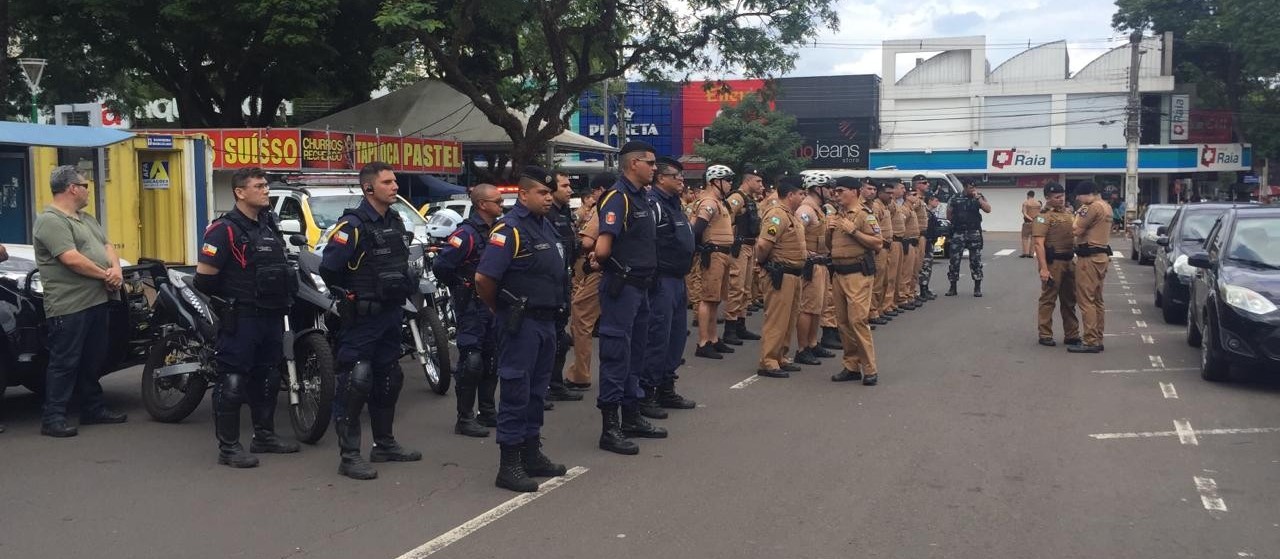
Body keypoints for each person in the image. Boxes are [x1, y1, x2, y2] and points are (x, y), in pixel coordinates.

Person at [320, 161, 422, 480]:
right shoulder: (352, 225)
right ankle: (349, 456)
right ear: (369, 188)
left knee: (389, 379)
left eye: (395, 181)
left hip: (391, 313)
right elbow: (329, 267)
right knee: (356, 381)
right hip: (362, 318)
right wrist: (351, 295)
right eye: (388, 182)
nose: (395, 187)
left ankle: (385, 444)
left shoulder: (394, 220)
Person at [193, 167, 298, 467]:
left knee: (268, 377)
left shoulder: (268, 227)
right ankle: (229, 448)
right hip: (241, 318)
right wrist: (231, 301)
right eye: (259, 186)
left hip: (271, 315)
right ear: (240, 192)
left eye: (266, 185)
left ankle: (264, 437)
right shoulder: (223, 230)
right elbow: (204, 279)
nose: (265, 190)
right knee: (233, 381)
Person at [474, 166, 569, 492]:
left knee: (536, 391)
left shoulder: (546, 227)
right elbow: (484, 279)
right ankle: (509, 464)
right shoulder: (509, 230)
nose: (548, 197)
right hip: (521, 323)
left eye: (549, 192)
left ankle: (531, 453)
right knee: (516, 390)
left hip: (545, 322)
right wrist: (498, 308)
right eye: (542, 192)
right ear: (524, 194)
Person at [32, 165, 127, 438]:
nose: (88, 190)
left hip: (96, 300)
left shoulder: (85, 218)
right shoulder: (51, 220)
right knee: (65, 361)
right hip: (69, 304)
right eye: (85, 185)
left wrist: (115, 270)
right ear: (72, 188)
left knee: (92, 359)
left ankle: (93, 409)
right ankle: (53, 417)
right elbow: (70, 258)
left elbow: (108, 245)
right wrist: (106, 275)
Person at [595, 140, 665, 455]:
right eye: (649, 162)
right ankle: (610, 428)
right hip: (622, 288)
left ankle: (631, 415)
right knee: (616, 354)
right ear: (633, 163)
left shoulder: (643, 198)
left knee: (636, 352)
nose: (654, 168)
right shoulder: (618, 198)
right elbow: (602, 249)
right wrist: (620, 272)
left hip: (641, 288)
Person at [432, 183, 503, 438]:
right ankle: (465, 417)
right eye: (497, 201)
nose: (502, 205)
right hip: (472, 306)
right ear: (482, 204)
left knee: (491, 358)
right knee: (471, 360)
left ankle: (487, 411)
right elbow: (441, 265)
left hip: (492, 304)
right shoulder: (466, 234)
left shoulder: (498, 229)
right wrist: (461, 285)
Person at [639, 157, 697, 418]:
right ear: (661, 178)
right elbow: (647, 242)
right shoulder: (654, 205)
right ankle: (648, 392)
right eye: (676, 176)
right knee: (657, 335)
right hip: (661, 280)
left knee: (675, 336)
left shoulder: (675, 206)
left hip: (677, 279)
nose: (681, 180)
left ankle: (666, 385)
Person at [828, 176, 882, 385]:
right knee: (842, 323)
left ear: (854, 191)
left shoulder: (863, 215)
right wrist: (829, 229)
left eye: (840, 190)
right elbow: (829, 245)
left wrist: (854, 231)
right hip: (839, 273)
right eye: (835, 191)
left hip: (857, 274)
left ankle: (870, 369)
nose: (836, 194)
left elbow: (877, 243)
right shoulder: (837, 214)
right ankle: (851, 365)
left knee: (857, 321)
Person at [755, 177, 808, 379]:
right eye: (800, 193)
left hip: (793, 274)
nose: (803, 197)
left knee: (789, 318)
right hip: (780, 273)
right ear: (790, 195)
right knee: (777, 319)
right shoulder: (777, 215)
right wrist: (763, 264)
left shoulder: (791, 215)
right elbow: (763, 245)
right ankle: (768, 360)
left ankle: (781, 356)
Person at [567, 173, 614, 390]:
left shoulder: (604, 206)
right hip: (629, 273)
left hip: (600, 268)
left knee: (581, 317)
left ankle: (581, 373)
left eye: (594, 191)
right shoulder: (635, 202)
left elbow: (587, 242)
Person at [691, 164, 738, 359]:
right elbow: (697, 229)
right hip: (714, 254)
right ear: (714, 182)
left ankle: (713, 338)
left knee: (715, 299)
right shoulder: (708, 202)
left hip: (723, 254)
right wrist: (701, 250)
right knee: (708, 298)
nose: (730, 184)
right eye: (727, 180)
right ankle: (703, 342)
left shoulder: (720, 202)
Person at [546, 171, 584, 404]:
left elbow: (571, 247)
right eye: (565, 186)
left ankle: (555, 384)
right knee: (549, 340)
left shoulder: (563, 214)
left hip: (564, 282)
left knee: (560, 338)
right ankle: (543, 388)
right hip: (548, 285)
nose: (570, 190)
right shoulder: (547, 216)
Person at [1031, 182, 1080, 347]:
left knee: (1070, 300)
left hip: (1069, 261)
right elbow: (1038, 244)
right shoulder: (1042, 217)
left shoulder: (1068, 214)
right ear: (1047, 198)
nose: (1061, 199)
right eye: (1057, 197)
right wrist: (1044, 268)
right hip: (1053, 263)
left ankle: (1072, 334)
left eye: (1062, 196)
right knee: (1048, 299)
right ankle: (1045, 334)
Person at [794, 171, 835, 366]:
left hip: (822, 262)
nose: (830, 191)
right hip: (811, 264)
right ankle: (803, 348)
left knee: (818, 307)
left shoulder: (820, 209)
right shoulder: (806, 210)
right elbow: (798, 231)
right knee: (807, 308)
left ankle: (812, 342)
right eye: (826, 187)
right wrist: (804, 253)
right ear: (817, 188)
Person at [721, 167, 765, 346]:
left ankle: (741, 324)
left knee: (746, 289)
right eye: (758, 181)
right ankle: (730, 329)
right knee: (736, 288)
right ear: (748, 181)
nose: (761, 185)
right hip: (739, 247)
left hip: (750, 246)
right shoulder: (737, 198)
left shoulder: (749, 199)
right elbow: (725, 218)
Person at [1069, 181, 1113, 353]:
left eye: (1079, 196)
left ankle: (1090, 340)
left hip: (1088, 258)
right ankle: (1097, 337)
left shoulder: (1091, 207)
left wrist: (1076, 215)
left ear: (1086, 194)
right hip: (1101, 256)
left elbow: (1076, 230)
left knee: (1086, 300)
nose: (1078, 200)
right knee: (1097, 300)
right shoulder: (1106, 207)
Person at [946, 181, 992, 297]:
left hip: (973, 232)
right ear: (965, 187)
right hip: (958, 232)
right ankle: (953, 287)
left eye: (974, 187)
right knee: (954, 260)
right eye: (971, 187)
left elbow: (988, 209)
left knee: (975, 260)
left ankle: (977, 287)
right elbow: (949, 214)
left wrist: (979, 199)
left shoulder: (979, 197)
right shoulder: (955, 197)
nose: (973, 189)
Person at [869, 181, 894, 326]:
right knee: (877, 282)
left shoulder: (884, 206)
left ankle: (879, 309)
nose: (891, 196)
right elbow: (874, 228)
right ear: (881, 193)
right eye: (888, 193)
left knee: (885, 280)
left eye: (892, 193)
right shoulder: (876, 207)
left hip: (887, 246)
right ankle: (872, 311)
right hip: (880, 248)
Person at [895, 184, 922, 310]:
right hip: (908, 242)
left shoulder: (911, 208)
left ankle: (910, 294)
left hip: (915, 242)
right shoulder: (904, 209)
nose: (917, 197)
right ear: (907, 197)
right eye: (913, 195)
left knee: (913, 272)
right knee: (906, 273)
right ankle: (903, 297)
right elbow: (902, 227)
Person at [919, 194, 944, 300]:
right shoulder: (926, 213)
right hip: (926, 241)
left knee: (928, 266)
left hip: (930, 242)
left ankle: (926, 288)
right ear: (930, 201)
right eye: (936, 200)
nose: (938, 203)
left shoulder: (931, 213)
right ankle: (923, 289)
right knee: (925, 266)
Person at [1020, 190, 1042, 258]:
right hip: (1036, 223)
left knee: (1025, 237)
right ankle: (1031, 254)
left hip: (1027, 222)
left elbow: (1024, 213)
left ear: (1028, 195)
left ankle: (1025, 253)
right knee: (1033, 238)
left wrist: (1030, 219)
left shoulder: (1026, 203)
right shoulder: (1038, 204)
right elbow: (1040, 213)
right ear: (1033, 195)